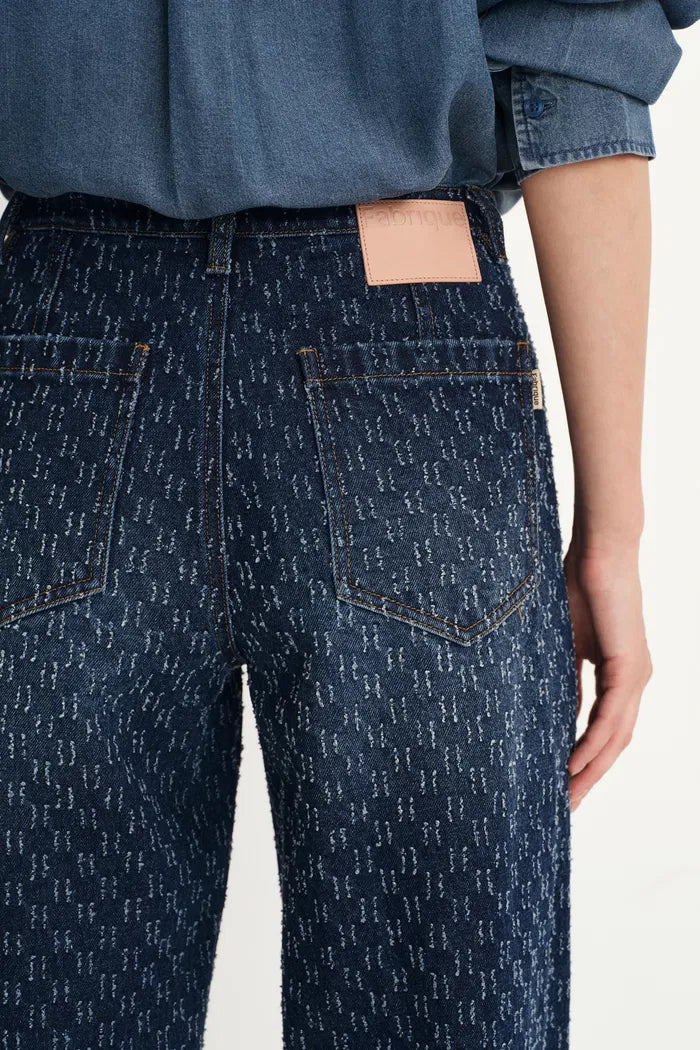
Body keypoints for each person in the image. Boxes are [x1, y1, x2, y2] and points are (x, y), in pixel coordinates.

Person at [0, 3, 697, 1049]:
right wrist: (613, 537)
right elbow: (572, 66)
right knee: (440, 1012)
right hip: (405, 355)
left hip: (61, 350)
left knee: (42, 992)